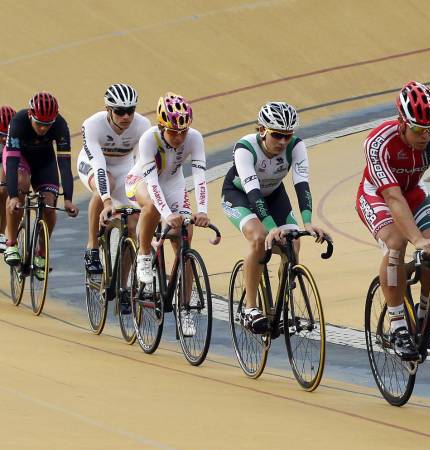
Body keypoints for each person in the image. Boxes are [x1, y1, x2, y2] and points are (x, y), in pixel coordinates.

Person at [355, 81, 430, 361]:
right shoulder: (378, 142)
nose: (425, 135)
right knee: (397, 242)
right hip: (378, 194)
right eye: (419, 129)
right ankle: (397, 325)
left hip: (414, 192)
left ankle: (424, 318)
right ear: (401, 122)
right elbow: (394, 199)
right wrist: (417, 240)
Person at [221, 101, 329, 332]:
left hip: (274, 194)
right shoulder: (245, 148)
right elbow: (253, 193)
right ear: (262, 130)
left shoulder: (296, 146)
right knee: (260, 238)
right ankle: (250, 309)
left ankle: (279, 306)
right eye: (277, 135)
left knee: (294, 241)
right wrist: (271, 227)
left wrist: (308, 222)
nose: (282, 142)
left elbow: (302, 185)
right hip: (240, 195)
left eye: (287, 136)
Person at [125, 92, 210, 336]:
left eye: (183, 131)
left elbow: (200, 178)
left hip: (174, 184)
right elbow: (151, 183)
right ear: (162, 127)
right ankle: (143, 255)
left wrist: (202, 210)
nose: (180, 137)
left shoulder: (195, 138)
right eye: (173, 132)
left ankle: (184, 310)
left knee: (185, 245)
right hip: (141, 181)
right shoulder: (148, 139)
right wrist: (165, 214)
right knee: (151, 206)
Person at [3, 92, 79, 274]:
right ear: (31, 115)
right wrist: (13, 196)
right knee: (21, 183)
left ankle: (41, 254)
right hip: (19, 158)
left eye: (48, 125)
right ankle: (11, 242)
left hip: (44, 161)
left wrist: (68, 199)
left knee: (49, 205)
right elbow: (12, 163)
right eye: (39, 124)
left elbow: (64, 165)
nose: (44, 129)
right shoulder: (18, 121)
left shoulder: (60, 125)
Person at [78, 83, 150, 275]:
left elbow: (142, 164)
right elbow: (99, 166)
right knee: (105, 184)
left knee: (133, 225)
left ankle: (124, 288)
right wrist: (107, 201)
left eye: (130, 110)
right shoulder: (92, 125)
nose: (126, 116)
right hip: (93, 164)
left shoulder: (143, 125)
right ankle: (92, 247)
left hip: (124, 167)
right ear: (108, 109)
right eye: (120, 111)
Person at [0, 105, 16, 251]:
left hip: (9, 158)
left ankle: (1, 232)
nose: (5, 138)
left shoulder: (16, 136)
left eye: (7, 134)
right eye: (1, 135)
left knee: (4, 189)